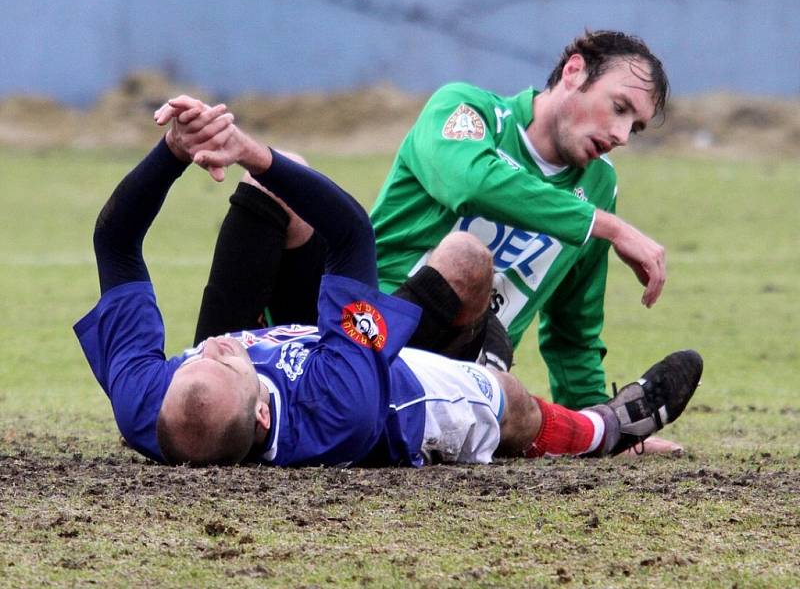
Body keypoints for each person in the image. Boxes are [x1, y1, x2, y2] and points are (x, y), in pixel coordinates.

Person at [73, 96, 702, 467]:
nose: (213, 346)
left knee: (282, 177)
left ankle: (480, 344)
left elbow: (114, 241)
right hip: (392, 394)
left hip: (309, 350)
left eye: (192, 361)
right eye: (226, 360)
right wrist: (245, 147)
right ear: (263, 411)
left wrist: (175, 152)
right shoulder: (335, 400)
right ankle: (607, 430)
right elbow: (352, 234)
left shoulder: (145, 403)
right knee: (502, 398)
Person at [198, 30, 679, 453]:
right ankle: (202, 386)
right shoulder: (467, 111)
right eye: (619, 108)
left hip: (448, 359)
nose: (621, 135)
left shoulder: (598, 189)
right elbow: (468, 181)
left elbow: (573, 329)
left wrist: (599, 422)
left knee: (466, 260)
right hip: (351, 316)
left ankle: (584, 429)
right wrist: (605, 225)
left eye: (634, 126)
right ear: (574, 71)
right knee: (282, 176)